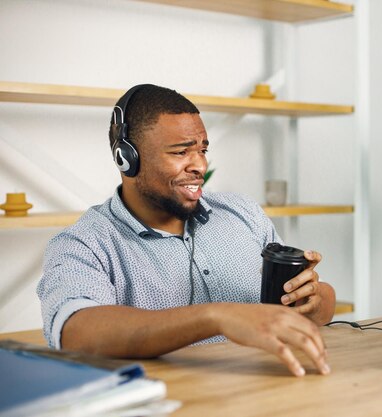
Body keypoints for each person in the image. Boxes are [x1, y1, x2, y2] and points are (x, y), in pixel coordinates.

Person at [36, 84, 336, 377]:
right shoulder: (83, 243)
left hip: (268, 391)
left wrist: (314, 300)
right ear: (127, 159)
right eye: (181, 152)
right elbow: (76, 333)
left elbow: (321, 306)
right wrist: (216, 316)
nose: (200, 165)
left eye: (202, 150)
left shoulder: (242, 213)